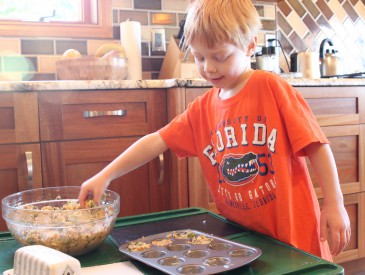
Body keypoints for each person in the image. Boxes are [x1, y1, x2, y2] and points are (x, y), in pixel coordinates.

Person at [78, 0, 350, 261]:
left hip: (294, 240)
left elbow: (316, 144)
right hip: (244, 241)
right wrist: (106, 175)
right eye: (199, 57)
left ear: (250, 46)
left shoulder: (272, 88)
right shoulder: (202, 109)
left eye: (220, 56)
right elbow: (156, 140)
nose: (208, 67)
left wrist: (335, 202)